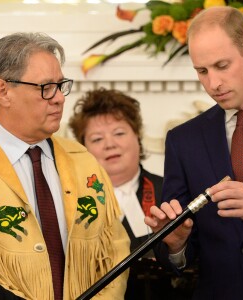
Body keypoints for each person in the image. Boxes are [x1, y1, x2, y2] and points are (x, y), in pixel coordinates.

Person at [0, 32, 130, 300]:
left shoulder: (82, 159)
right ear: (3, 91)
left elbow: (115, 250)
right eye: (45, 87)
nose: (60, 98)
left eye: (61, 85)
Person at [145, 6, 243, 300]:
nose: (213, 84)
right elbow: (179, 255)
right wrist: (176, 243)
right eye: (202, 71)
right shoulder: (183, 140)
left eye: (222, 66)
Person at [69, 88, 196, 299]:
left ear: (137, 137)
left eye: (119, 133)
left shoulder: (171, 192)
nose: (110, 144)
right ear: (84, 149)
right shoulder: (71, 200)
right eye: (97, 139)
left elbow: (192, 265)